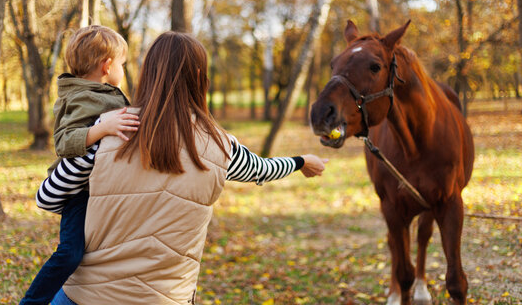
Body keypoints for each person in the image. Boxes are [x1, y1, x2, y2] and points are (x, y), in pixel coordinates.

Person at [42, 31, 327, 305]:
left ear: (147, 74)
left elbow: (49, 197)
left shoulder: (109, 129)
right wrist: (300, 162)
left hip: (87, 296)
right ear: (200, 78)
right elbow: (261, 169)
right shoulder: (220, 145)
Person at [20, 25, 140, 305]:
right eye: (122, 64)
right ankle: (33, 302)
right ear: (107, 65)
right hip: (79, 194)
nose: (123, 70)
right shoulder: (82, 97)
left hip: (101, 188)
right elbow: (64, 141)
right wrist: (102, 128)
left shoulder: (102, 91)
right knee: (70, 253)